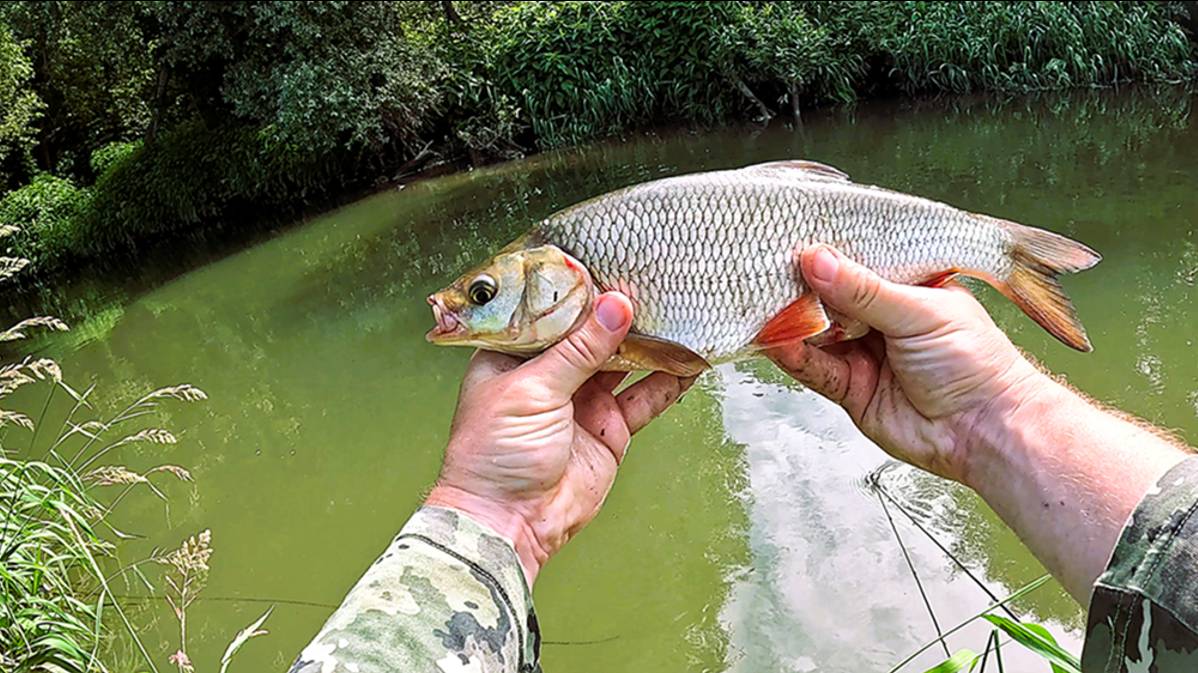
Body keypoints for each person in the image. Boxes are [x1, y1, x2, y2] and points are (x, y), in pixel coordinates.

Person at [288, 245, 1197, 673]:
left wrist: (491, 517)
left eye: (483, 296)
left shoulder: (602, 289)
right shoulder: (590, 285)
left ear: (567, 287)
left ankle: (1002, 254)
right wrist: (997, 416)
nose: (464, 311)